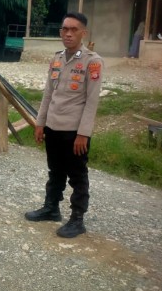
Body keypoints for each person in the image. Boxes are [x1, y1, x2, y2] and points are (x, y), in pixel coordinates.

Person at [25, 12, 103, 238]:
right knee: (55, 170)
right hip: (53, 126)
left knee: (77, 175)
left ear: (83, 33)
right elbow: (48, 94)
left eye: (73, 29)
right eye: (64, 29)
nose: (68, 34)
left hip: (74, 131)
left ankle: (77, 219)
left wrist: (83, 134)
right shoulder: (57, 58)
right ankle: (51, 208)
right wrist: (40, 123)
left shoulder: (92, 61)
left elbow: (92, 101)